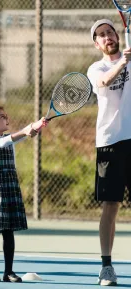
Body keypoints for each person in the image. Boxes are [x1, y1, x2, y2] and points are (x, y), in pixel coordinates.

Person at [0, 105, 46, 283]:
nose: (7, 119)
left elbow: (16, 137)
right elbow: (1, 143)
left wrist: (35, 126)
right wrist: (25, 131)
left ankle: (8, 272)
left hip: (10, 184)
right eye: (2, 117)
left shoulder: (7, 138)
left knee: (8, 230)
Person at [87, 19, 131, 286]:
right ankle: (106, 267)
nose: (107, 37)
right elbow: (104, 81)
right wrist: (123, 63)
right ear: (97, 44)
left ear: (117, 34)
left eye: (110, 32)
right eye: (101, 35)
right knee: (111, 205)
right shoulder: (96, 68)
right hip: (110, 142)